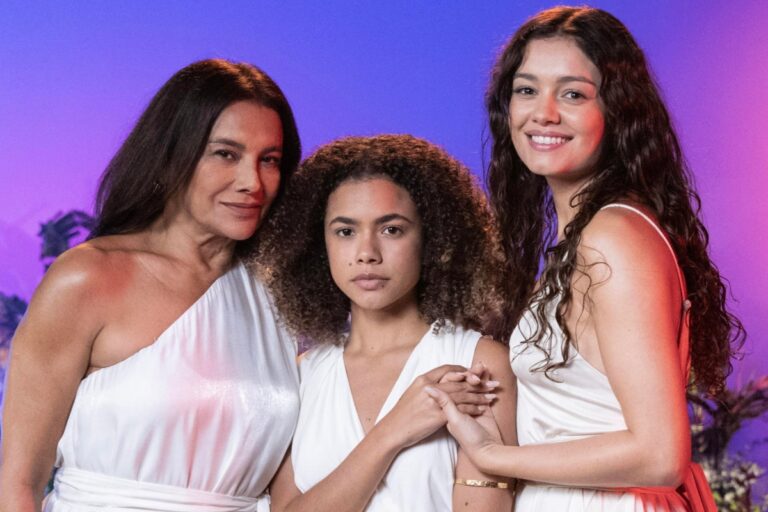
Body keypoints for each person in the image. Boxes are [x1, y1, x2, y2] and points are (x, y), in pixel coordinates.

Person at [427, 6, 745, 512]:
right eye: (526, 90)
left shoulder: (613, 237)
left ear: (616, 111)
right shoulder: (589, 237)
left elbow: (659, 455)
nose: (544, 112)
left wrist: (494, 456)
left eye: (573, 94)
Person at [0, 59, 302, 512]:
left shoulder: (280, 298)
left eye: (269, 160)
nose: (252, 182)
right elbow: (18, 483)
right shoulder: (88, 278)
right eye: (226, 154)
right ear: (171, 155)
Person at [255, 134, 517, 511]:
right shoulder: (301, 377)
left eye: (391, 229)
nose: (367, 254)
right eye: (345, 231)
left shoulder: (478, 363)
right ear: (319, 244)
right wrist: (395, 430)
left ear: (432, 238)